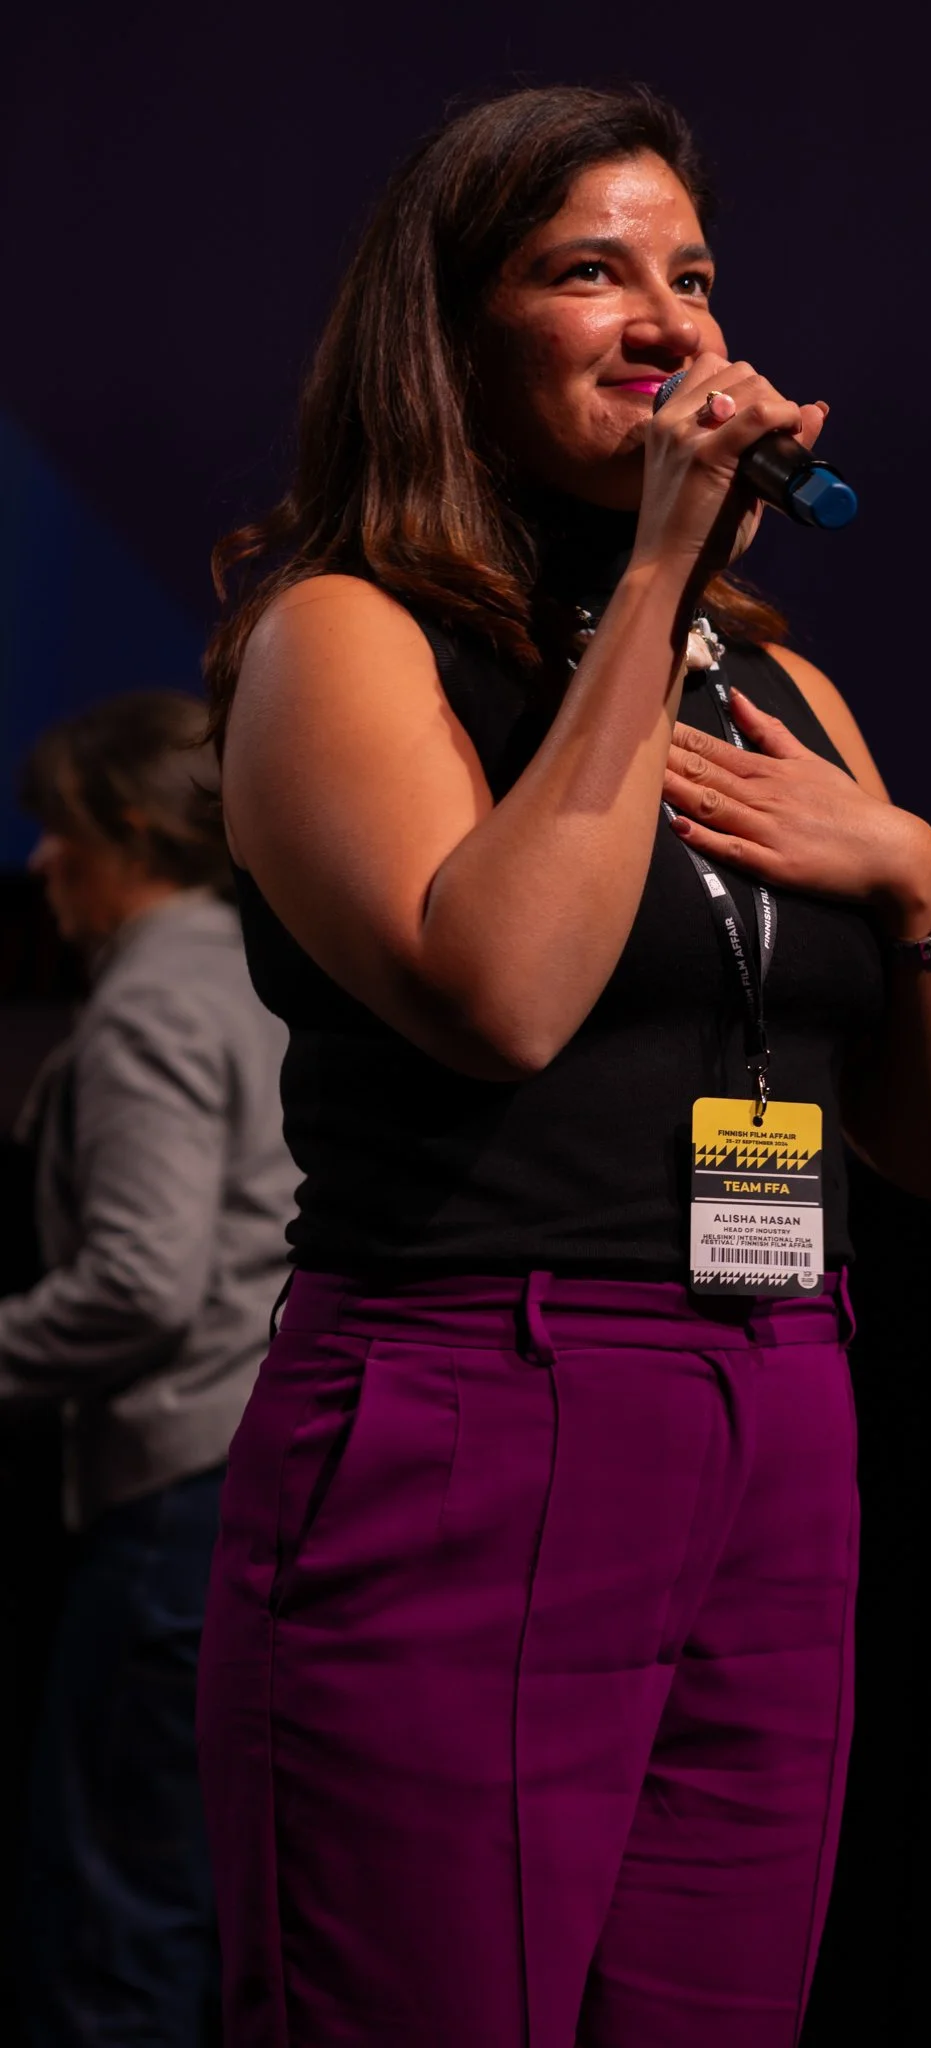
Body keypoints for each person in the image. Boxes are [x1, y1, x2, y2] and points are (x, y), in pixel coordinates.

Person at [196, 84, 931, 2048]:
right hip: (480, 1388)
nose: (666, 319)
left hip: (774, 1401)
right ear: (457, 330)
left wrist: (918, 885)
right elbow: (505, 997)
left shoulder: (781, 684)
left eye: (694, 276)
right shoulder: (350, 636)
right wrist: (656, 576)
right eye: (590, 271)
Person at [0, 690, 293, 2045]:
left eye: (59, 831)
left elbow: (141, 1281)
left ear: (125, 832)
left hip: (181, 1500)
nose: (43, 863)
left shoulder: (149, 1008)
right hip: (259, 1486)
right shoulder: (266, 975)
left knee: (124, 1929)